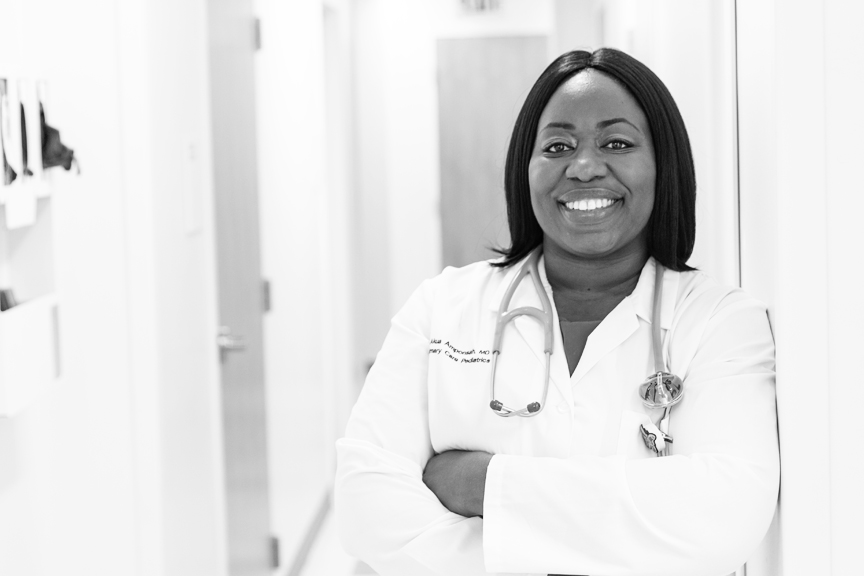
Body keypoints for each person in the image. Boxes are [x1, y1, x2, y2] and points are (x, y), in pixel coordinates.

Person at [335, 47, 779, 576]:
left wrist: (479, 483)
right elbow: (368, 507)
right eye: (558, 145)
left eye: (617, 142)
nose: (585, 167)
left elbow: (724, 515)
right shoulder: (441, 307)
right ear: (527, 168)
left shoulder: (720, 321)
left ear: (665, 165)